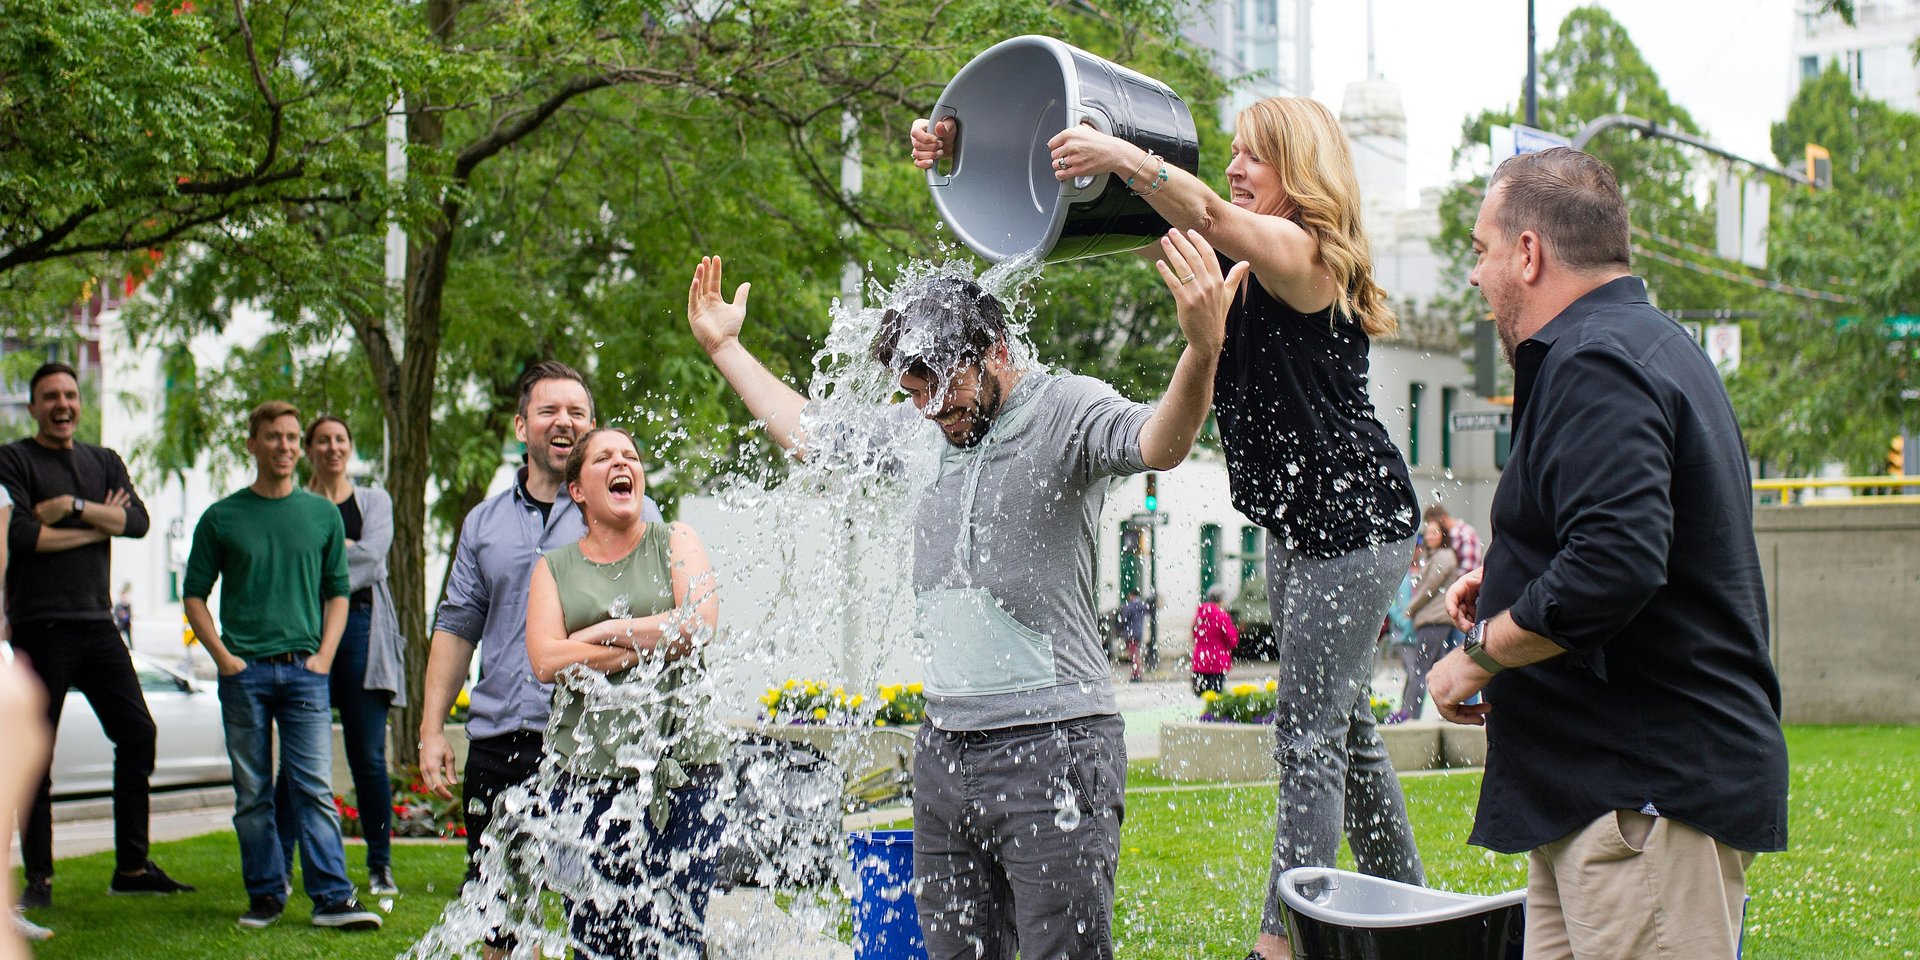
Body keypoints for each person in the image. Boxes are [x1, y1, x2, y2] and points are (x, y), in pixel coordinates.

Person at [920, 94, 1428, 958]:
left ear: (1299, 172)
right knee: (1345, 731)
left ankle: (1284, 936)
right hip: (1302, 525)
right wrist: (971, 153)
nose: (1234, 168)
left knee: (1306, 739)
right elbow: (1131, 219)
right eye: (1230, 153)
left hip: (1356, 524)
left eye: (1253, 156)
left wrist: (1123, 154)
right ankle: (1409, 905)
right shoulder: (1233, 265)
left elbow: (1203, 209)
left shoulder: (1306, 256)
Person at [686, 232, 1243, 960]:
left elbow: (1160, 443)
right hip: (946, 749)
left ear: (998, 354)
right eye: (914, 394)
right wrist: (726, 348)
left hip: (1057, 744)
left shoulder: (1068, 410)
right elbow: (812, 438)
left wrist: (1201, 352)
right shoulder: (926, 431)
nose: (928, 410)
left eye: (942, 387)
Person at [1428, 147, 1789, 960]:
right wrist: (1511, 580)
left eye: (1483, 252)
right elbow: (1622, 540)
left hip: (1642, 802)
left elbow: (1614, 568)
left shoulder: (1598, 362)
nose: (1477, 278)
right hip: (1599, 801)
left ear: (1529, 254)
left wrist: (1480, 654)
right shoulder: (1639, 346)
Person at [417, 361, 662, 955]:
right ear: (521, 425)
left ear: (593, 426)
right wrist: (430, 728)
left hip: (595, 745)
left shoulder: (635, 517)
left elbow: (669, 624)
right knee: (495, 912)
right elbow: (456, 625)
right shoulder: (483, 523)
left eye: (577, 412)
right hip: (502, 738)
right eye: (549, 411)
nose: (564, 422)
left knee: (603, 910)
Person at [524, 428, 724, 958]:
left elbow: (698, 624)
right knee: (596, 939)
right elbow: (545, 659)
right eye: (606, 458)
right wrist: (642, 642)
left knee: (677, 938)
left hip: (682, 773)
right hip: (583, 781)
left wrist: (590, 635)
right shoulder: (554, 568)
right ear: (578, 491)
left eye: (630, 456)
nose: (623, 463)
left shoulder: (675, 539)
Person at [0, 362, 194, 910]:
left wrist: (69, 509)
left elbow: (138, 524)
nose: (62, 405)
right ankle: (38, 878)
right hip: (41, 626)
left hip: (98, 624)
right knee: (36, 753)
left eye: (70, 395)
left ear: (80, 402)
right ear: (33, 405)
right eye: (49, 397)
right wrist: (98, 522)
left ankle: (131, 866)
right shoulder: (13, 459)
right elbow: (20, 535)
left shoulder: (102, 460)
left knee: (137, 733)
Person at [183, 401, 381, 931]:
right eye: (274, 437)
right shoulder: (221, 516)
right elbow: (194, 594)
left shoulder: (321, 516)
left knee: (313, 786)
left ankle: (333, 899)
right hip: (242, 673)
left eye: (294, 438)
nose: (287, 446)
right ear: (253, 444)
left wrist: (323, 658)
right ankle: (266, 895)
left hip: (304, 673)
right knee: (252, 795)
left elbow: (339, 593)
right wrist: (223, 658)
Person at [271, 415, 407, 896]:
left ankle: (379, 865)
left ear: (350, 446)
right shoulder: (294, 504)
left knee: (368, 757)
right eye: (323, 440)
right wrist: (339, 552)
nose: (333, 448)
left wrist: (321, 561)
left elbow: (372, 560)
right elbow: (286, 561)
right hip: (305, 634)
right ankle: (279, 868)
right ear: (308, 448)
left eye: (341, 440)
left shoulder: (374, 501)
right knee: (295, 762)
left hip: (363, 635)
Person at [1387, 522, 1457, 723]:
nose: (1429, 536)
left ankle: (1410, 715)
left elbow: (1429, 587)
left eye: (1435, 532)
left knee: (1419, 669)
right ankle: (1448, 710)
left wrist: (1409, 611)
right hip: (1433, 620)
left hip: (1433, 620)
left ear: (1443, 535)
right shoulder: (1434, 557)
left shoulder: (1443, 557)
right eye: (1428, 532)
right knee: (1439, 667)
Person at [1188, 585, 1239, 696]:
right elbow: (1232, 640)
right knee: (1215, 698)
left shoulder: (1200, 615)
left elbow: (1194, 635)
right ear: (1221, 599)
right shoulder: (1222, 616)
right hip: (1217, 662)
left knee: (1200, 697)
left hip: (1200, 661)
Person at [1118, 589, 1150, 682]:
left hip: (1130, 632)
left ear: (1131, 595)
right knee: (1136, 653)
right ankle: (1137, 673)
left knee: (1133, 655)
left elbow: (1123, 619)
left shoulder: (1129, 606)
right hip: (1139, 633)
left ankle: (1136, 675)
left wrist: (1119, 627)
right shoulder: (1142, 605)